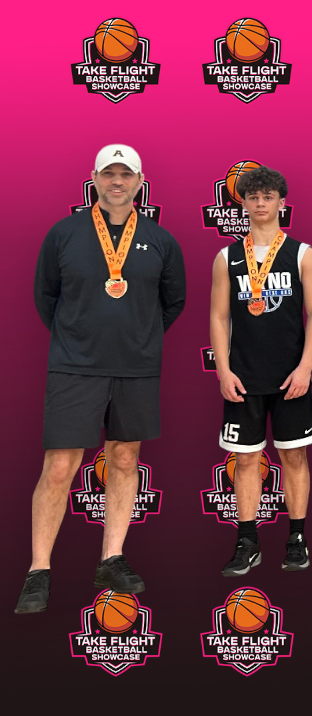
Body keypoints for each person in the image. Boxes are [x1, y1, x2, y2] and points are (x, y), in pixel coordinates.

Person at [18, 145, 185, 613]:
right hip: (75, 366)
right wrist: (78, 337)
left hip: (135, 368)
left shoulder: (160, 239)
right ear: (93, 178)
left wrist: (138, 338)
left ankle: (111, 558)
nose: (117, 181)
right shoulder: (64, 233)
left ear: (140, 182)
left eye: (125, 174)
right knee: (59, 466)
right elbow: (45, 296)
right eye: (109, 173)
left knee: (126, 460)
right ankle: (38, 570)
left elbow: (173, 301)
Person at [210, 166, 312, 576]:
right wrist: (223, 371)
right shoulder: (226, 257)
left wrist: (305, 368)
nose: (260, 203)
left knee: (294, 456)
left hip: (291, 377)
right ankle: (247, 540)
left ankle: (297, 538)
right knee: (245, 462)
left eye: (268, 196)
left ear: (281, 202)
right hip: (244, 377)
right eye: (253, 197)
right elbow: (218, 317)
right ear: (243, 203)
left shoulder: (303, 253)